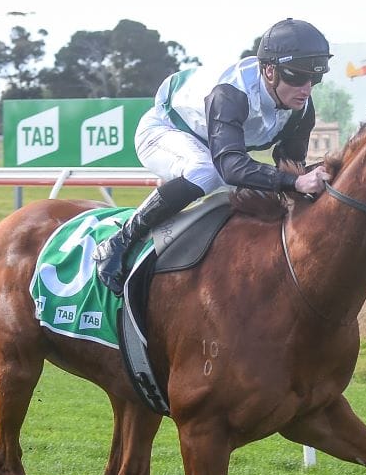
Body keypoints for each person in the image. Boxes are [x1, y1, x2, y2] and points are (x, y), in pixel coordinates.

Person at [92, 18, 333, 295]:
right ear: (269, 71)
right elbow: (230, 167)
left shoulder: (301, 107)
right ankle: (120, 241)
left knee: (263, 192)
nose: (306, 88)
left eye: (315, 77)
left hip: (216, 148)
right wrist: (296, 182)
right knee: (207, 172)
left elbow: (291, 169)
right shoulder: (230, 92)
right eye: (296, 76)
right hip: (164, 131)